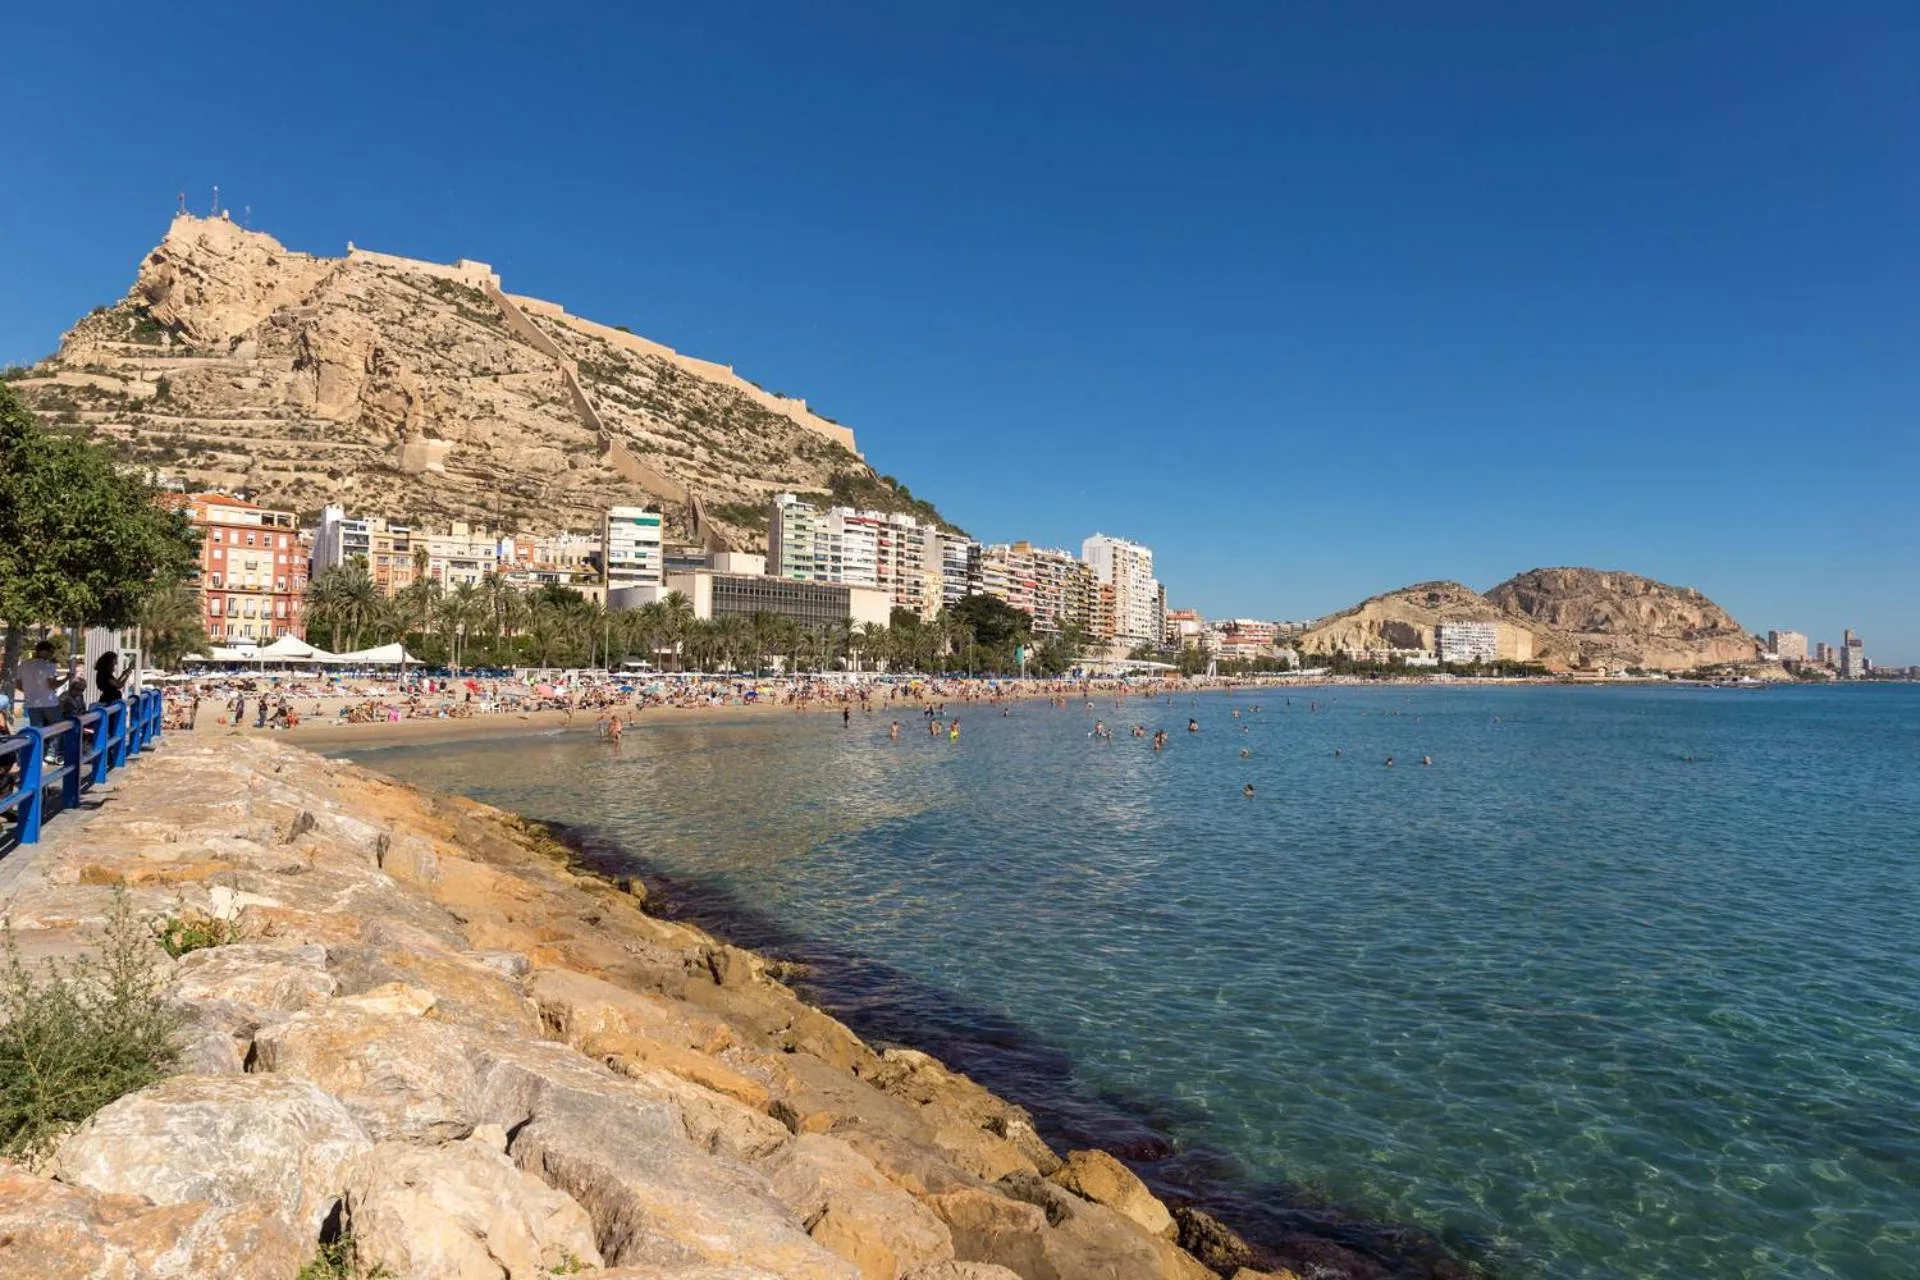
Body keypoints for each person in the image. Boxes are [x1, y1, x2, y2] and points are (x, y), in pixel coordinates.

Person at [18, 641, 62, 730]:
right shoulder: (49, 665)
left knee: (37, 732)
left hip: (31, 703)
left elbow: (18, 684)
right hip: (50, 704)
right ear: (43, 651)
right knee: (57, 730)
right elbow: (52, 685)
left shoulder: (23, 665)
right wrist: (67, 678)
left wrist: (31, 690)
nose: (51, 654)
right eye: (51, 652)